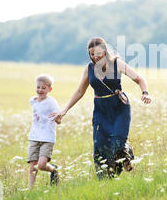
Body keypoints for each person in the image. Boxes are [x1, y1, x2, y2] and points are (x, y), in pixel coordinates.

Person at [51, 37, 151, 178]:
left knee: (117, 141)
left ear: (105, 51)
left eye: (98, 53)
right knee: (99, 145)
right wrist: (65, 110)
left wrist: (145, 93)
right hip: (100, 110)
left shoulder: (117, 63)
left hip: (119, 107)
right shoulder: (89, 69)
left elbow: (139, 79)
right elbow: (80, 91)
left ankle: (125, 152)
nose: (95, 57)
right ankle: (105, 180)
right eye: (91, 54)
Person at [28, 74, 61, 189]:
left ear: (49, 89)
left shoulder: (52, 102)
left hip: (47, 138)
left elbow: (59, 120)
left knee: (41, 165)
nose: (40, 90)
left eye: (43, 88)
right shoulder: (33, 101)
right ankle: (30, 191)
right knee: (33, 166)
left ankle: (53, 170)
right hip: (34, 137)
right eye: (38, 87)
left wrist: (57, 118)